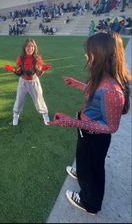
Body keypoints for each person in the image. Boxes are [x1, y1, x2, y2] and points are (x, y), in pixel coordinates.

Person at [49, 32, 131, 215]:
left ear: (101, 55)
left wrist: (72, 122)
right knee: (84, 161)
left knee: (94, 169)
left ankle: (90, 203)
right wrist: (77, 84)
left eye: (89, 52)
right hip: (86, 131)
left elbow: (111, 127)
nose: (86, 55)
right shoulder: (102, 76)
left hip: (95, 137)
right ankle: (82, 173)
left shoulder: (112, 90)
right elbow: (95, 94)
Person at [3, 38, 51, 126]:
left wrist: (44, 69)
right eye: (28, 46)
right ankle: (16, 116)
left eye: (32, 46)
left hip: (34, 82)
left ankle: (45, 115)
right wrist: (13, 70)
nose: (30, 48)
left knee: (39, 99)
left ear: (35, 48)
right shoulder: (20, 59)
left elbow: (38, 73)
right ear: (24, 48)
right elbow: (19, 72)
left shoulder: (37, 58)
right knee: (19, 100)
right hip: (23, 82)